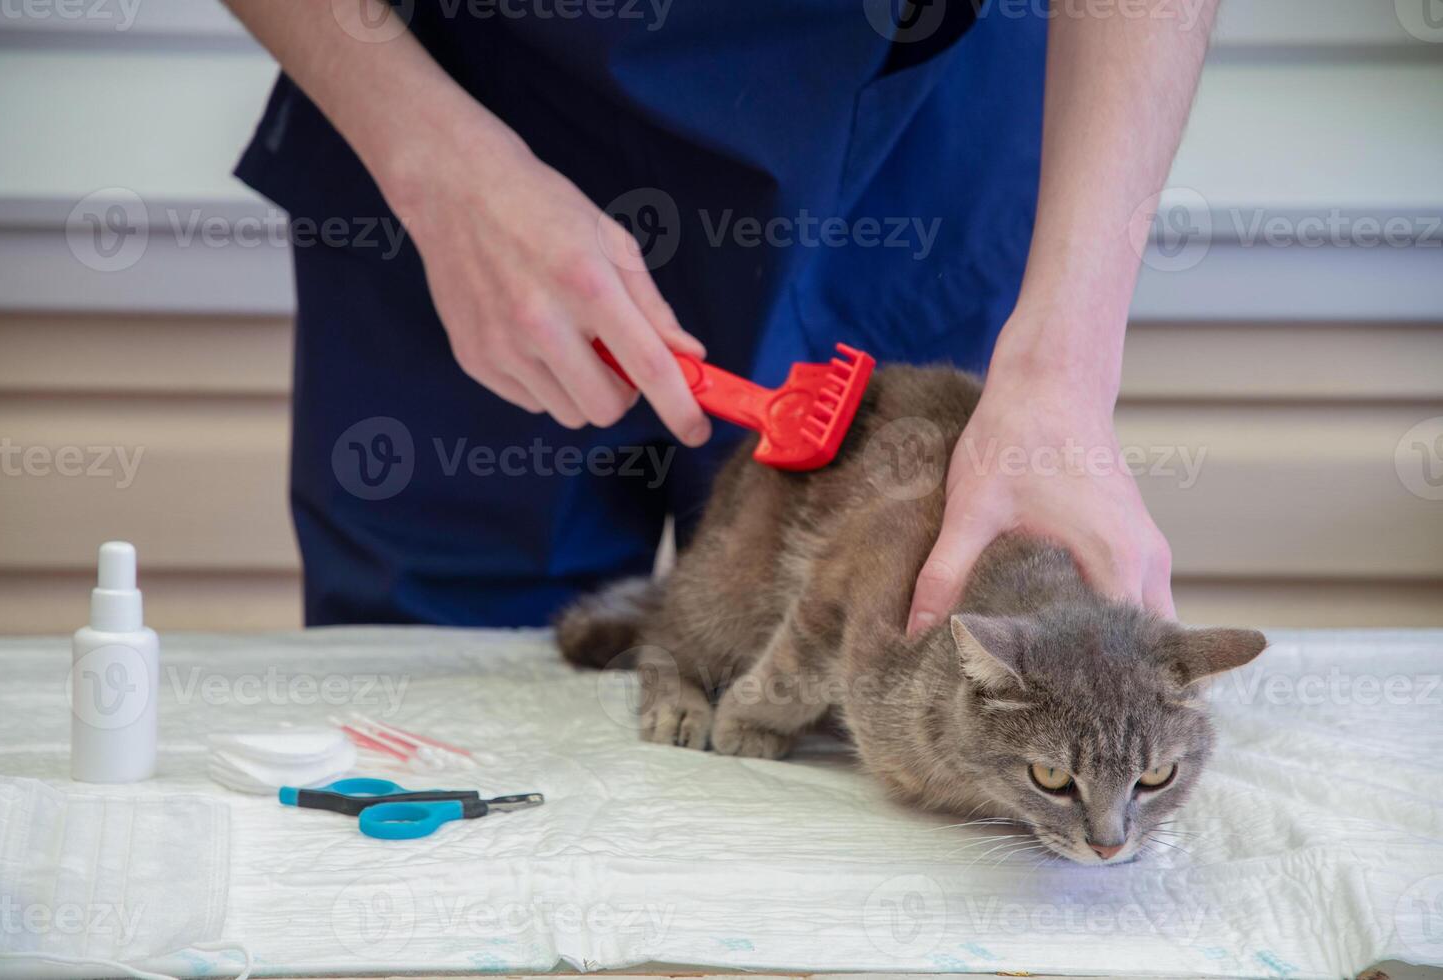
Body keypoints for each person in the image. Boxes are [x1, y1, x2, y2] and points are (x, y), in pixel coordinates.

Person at [224, 0, 1205, 630]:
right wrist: (435, 166)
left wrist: (1065, 379)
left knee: (875, 712)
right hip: (461, 107)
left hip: (908, 150)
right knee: (441, 736)